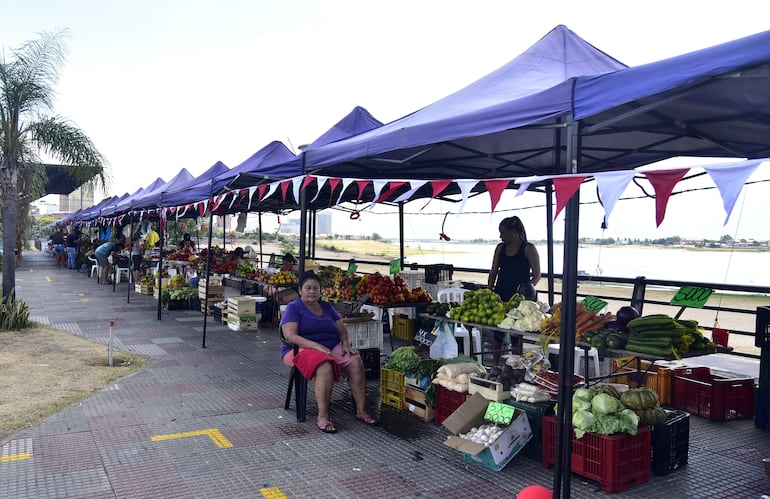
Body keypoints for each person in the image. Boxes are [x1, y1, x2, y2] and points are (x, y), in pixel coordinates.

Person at [280, 271, 376, 433]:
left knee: (355, 360)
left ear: (320, 290)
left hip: (330, 347)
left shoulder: (326, 307)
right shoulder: (293, 308)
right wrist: (316, 346)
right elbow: (290, 336)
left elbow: (342, 330)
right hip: (299, 349)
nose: (312, 291)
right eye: (308, 288)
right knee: (324, 365)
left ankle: (361, 411)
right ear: (300, 290)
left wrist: (345, 344)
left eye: (315, 288)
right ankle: (323, 417)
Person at [487, 216, 541, 362]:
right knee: (497, 332)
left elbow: (536, 276)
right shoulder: (500, 248)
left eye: (503, 232)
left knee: (516, 333)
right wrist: (489, 292)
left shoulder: (528, 248)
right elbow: (493, 272)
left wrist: (524, 294)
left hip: (520, 299)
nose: (500, 236)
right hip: (500, 294)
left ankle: (516, 363)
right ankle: (496, 362)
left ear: (513, 232)